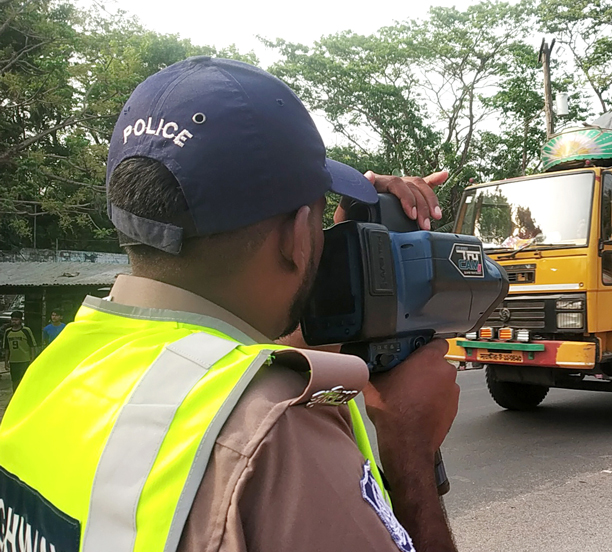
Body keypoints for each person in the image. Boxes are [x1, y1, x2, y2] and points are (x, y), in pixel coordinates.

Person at [0, 57, 458, 552]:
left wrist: (347, 275)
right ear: (296, 239)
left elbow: (222, 353)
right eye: (321, 223)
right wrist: (410, 453)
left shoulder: (64, 366)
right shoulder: (273, 434)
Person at [1, 311, 36, 390]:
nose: (14, 321)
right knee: (15, 380)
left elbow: (32, 346)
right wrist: (6, 362)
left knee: (25, 380)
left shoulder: (26, 330)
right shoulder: (8, 332)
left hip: (25, 359)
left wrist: (32, 358)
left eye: (16, 320)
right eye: (13, 320)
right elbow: (6, 348)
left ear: (20, 320)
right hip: (13, 360)